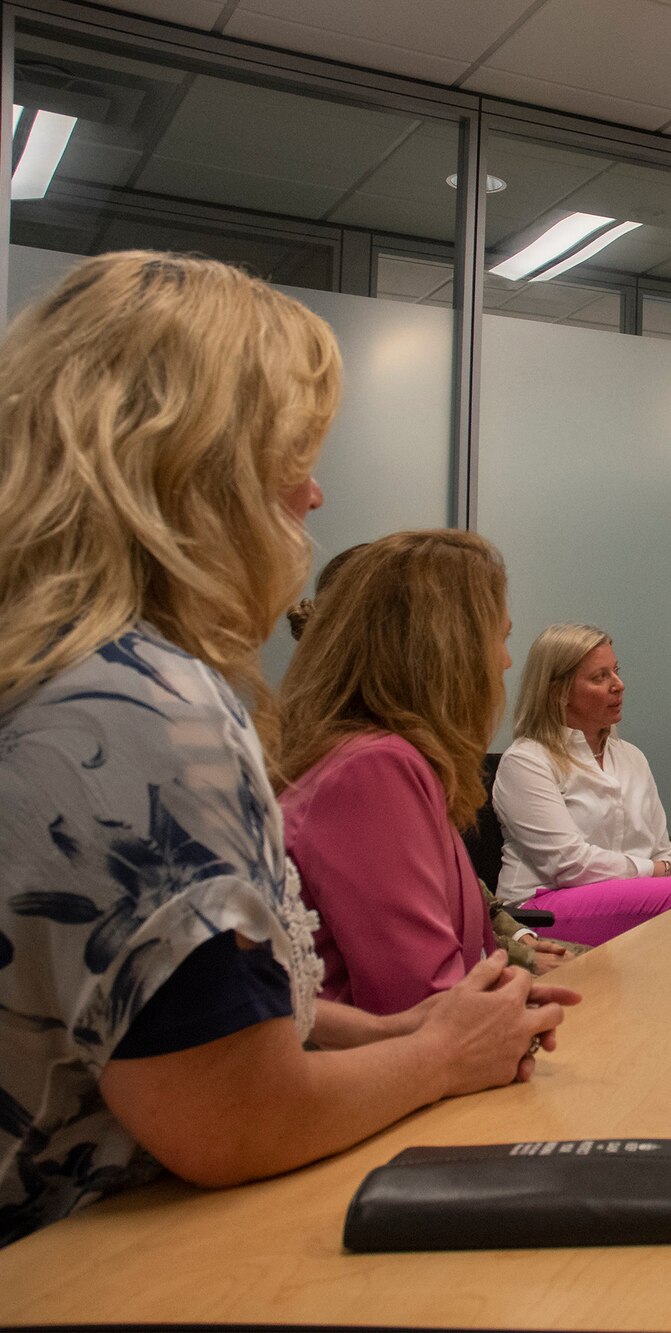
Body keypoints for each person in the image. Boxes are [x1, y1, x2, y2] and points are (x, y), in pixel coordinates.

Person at [0, 252, 574, 1248]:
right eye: (291, 453)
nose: (313, 496)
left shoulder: (53, 675)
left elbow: (192, 1028)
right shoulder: (145, 711)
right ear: (196, 466)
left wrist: (411, 1034)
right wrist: (434, 1059)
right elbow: (236, 1114)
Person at [274, 530, 535, 1013]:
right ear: (447, 653)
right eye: (499, 639)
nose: (505, 661)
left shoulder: (388, 760)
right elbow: (417, 1001)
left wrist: (510, 992)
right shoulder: (372, 770)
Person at [491, 624, 671, 947]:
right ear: (559, 691)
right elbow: (569, 865)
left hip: (624, 902)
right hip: (543, 907)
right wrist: (656, 871)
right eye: (600, 678)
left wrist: (663, 870)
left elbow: (664, 852)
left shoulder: (632, 758)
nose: (619, 685)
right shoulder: (527, 761)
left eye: (616, 671)